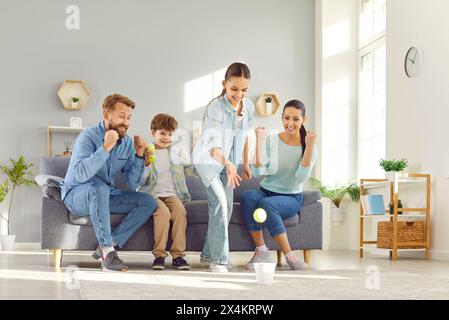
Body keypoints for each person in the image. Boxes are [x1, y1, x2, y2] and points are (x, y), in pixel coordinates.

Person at [61, 94, 158, 272]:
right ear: (106, 114)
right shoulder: (87, 137)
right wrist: (105, 148)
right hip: (76, 194)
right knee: (98, 188)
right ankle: (107, 254)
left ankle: (110, 243)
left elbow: (130, 185)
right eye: (122, 116)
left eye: (129, 118)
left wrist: (139, 156)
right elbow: (81, 175)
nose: (126, 122)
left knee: (148, 201)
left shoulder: (127, 143)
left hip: (105, 193)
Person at [192, 62, 255, 273]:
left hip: (229, 162)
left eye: (244, 89)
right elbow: (212, 147)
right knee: (219, 202)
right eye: (234, 88)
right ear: (224, 84)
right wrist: (228, 163)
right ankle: (219, 260)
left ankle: (209, 253)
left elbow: (245, 136)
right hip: (209, 161)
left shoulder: (249, 108)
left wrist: (244, 163)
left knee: (226, 207)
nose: (239, 94)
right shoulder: (215, 107)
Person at [240, 99, 317, 270]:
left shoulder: (309, 146)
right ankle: (262, 252)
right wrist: (259, 142)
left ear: (304, 120)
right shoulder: (272, 140)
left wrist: (309, 145)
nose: (290, 123)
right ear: (282, 118)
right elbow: (260, 171)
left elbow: (300, 177)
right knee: (248, 196)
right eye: (286, 118)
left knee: (267, 204)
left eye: (296, 119)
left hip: (291, 197)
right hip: (266, 191)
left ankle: (290, 255)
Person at [139, 113, 192, 270]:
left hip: (170, 194)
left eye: (170, 134)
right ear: (153, 133)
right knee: (163, 214)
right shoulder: (146, 152)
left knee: (180, 212)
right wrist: (146, 164)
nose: (166, 137)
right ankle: (160, 255)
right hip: (151, 194)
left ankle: (178, 256)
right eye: (162, 133)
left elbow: (190, 170)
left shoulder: (175, 153)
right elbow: (141, 181)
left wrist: (190, 157)